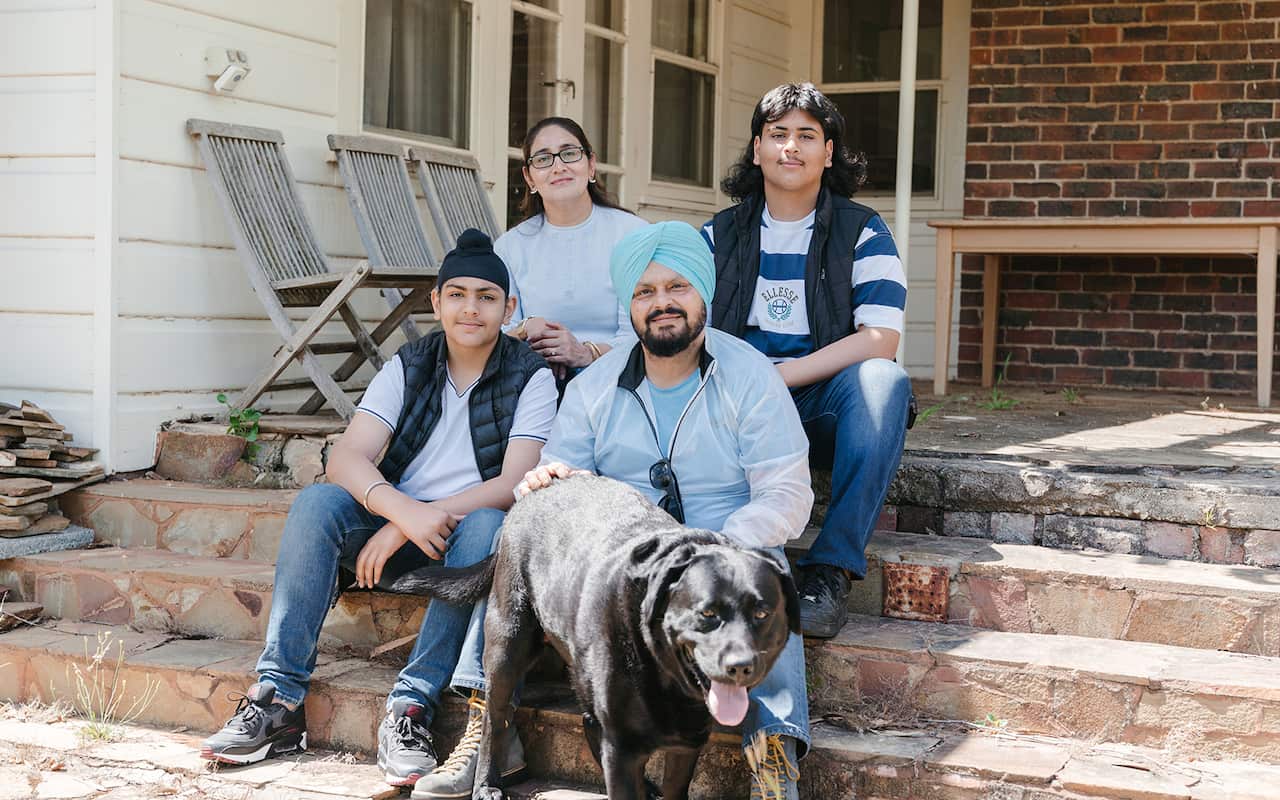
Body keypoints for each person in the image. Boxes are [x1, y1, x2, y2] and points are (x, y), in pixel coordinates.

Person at [200, 230, 557, 799]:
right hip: (402, 529)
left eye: (487, 297)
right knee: (317, 503)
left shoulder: (531, 375)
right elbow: (346, 456)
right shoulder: (409, 364)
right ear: (435, 302)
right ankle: (280, 698)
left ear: (509, 308)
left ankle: (412, 704)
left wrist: (407, 521)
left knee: (493, 525)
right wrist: (399, 511)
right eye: (457, 294)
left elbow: (512, 484)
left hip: (467, 542)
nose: (471, 308)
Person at [518, 221, 814, 800]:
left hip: (730, 544)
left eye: (676, 287)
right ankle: (486, 720)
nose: (662, 304)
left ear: (705, 294)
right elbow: (563, 478)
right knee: (520, 544)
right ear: (629, 305)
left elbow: (787, 493)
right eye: (644, 292)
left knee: (763, 578)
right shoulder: (594, 387)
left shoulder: (750, 375)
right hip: (628, 556)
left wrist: (721, 548)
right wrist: (548, 480)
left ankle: (774, 755)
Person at [702, 82, 913, 639]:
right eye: (777, 135)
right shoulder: (716, 235)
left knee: (883, 382)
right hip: (734, 406)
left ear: (829, 152)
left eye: (806, 136)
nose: (790, 147)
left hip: (816, 404)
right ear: (756, 150)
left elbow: (880, 337)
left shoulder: (862, 229)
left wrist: (779, 376)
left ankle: (829, 573)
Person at [496, 117, 648, 382]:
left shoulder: (633, 235)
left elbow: (643, 332)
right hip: (534, 380)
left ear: (591, 165)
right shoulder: (510, 246)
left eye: (569, 154)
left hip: (622, 378)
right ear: (529, 177)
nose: (558, 166)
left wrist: (585, 353)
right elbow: (500, 332)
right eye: (543, 159)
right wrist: (530, 335)